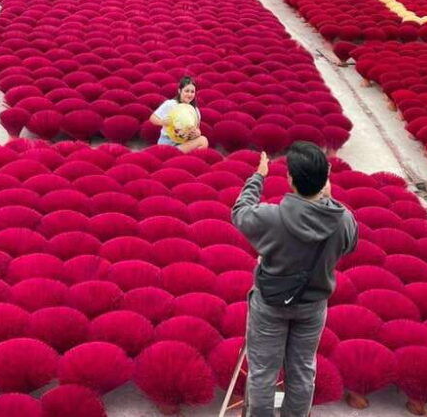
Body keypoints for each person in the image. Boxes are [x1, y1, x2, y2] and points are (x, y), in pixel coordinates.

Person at [231, 142, 358, 417]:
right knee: (302, 372)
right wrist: (329, 199)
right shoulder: (343, 220)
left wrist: (258, 177)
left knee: (263, 373)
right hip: (312, 307)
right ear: (325, 179)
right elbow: (350, 245)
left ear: (290, 179)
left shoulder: (271, 216)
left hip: (271, 304)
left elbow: (239, 212)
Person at [149, 76, 209, 153]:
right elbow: (152, 118)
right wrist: (162, 122)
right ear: (179, 91)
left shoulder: (195, 110)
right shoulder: (171, 104)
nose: (190, 94)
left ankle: (182, 161)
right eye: (186, 91)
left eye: (192, 92)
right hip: (167, 143)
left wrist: (197, 133)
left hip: (183, 143)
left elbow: (196, 128)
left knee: (203, 141)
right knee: (202, 140)